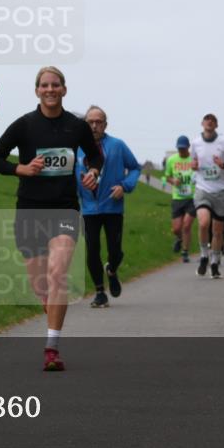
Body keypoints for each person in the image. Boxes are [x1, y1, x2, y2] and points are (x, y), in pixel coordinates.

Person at [0, 66, 102, 370]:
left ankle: (51, 348)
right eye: (44, 85)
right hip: (29, 210)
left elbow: (95, 155)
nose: (50, 90)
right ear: (36, 90)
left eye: (56, 85)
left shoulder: (76, 126)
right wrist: (20, 169)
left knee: (57, 274)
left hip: (64, 208)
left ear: (64, 90)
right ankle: (52, 319)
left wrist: (93, 172)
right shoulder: (24, 125)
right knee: (41, 285)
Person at [76, 106, 141, 307]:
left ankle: (111, 270)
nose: (95, 126)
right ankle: (99, 292)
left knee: (116, 251)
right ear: (85, 124)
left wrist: (124, 186)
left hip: (113, 206)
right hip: (88, 208)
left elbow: (135, 168)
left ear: (105, 124)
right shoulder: (76, 148)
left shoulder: (117, 145)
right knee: (92, 250)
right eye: (90, 122)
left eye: (99, 122)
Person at [190, 114, 224, 279]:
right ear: (202, 123)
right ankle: (204, 255)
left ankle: (215, 262)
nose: (209, 122)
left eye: (213, 120)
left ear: (216, 124)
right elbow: (193, 164)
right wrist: (194, 166)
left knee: (217, 231)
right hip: (203, 189)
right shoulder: (195, 142)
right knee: (203, 223)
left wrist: (223, 165)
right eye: (207, 120)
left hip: (221, 191)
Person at [165, 135, 197, 263]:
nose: (181, 151)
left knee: (187, 225)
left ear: (188, 147)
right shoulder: (171, 160)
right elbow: (167, 176)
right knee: (176, 229)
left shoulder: (194, 159)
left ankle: (185, 252)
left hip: (192, 197)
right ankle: (179, 239)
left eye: (183, 148)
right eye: (179, 148)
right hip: (177, 197)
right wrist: (173, 180)